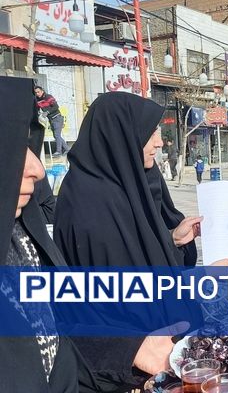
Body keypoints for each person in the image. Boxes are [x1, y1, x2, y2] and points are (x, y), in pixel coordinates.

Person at [53, 92, 203, 390]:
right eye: (151, 132)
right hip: (127, 365)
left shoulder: (135, 183)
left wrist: (172, 240)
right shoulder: (86, 202)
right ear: (121, 137)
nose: (159, 142)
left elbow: (142, 256)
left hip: (161, 349)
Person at [0, 75, 98, 392]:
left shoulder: (21, 243)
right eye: (14, 146)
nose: (38, 170)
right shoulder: (88, 198)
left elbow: (57, 347)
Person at [34, 85, 69, 156]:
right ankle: (67, 149)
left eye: (38, 92)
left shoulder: (48, 97)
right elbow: (37, 108)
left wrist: (47, 112)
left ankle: (59, 151)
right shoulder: (37, 100)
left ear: (42, 91)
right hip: (51, 120)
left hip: (57, 118)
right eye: (36, 92)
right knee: (56, 136)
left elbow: (56, 106)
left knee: (57, 135)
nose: (37, 94)